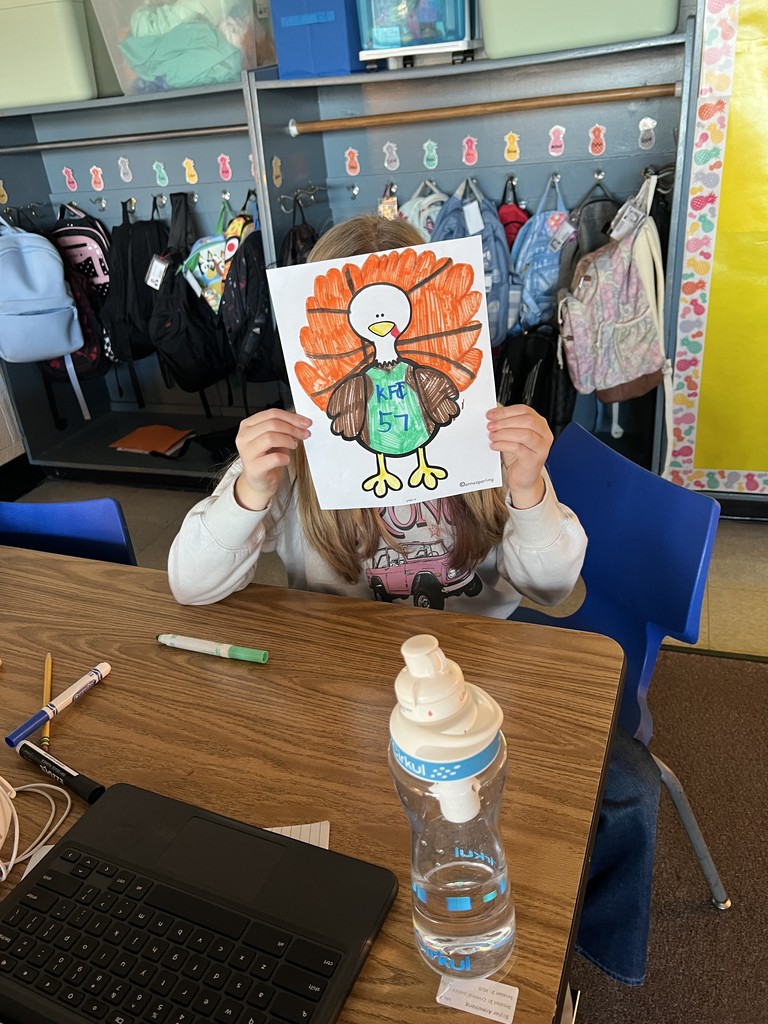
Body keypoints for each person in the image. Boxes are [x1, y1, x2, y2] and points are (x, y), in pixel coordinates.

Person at [168, 214, 660, 986]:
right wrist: (248, 488)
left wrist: (528, 491)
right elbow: (190, 584)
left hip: (487, 686)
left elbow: (555, 586)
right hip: (348, 689)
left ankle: (591, 954)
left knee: (627, 784)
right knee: (281, 804)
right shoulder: (301, 463)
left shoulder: (483, 440)